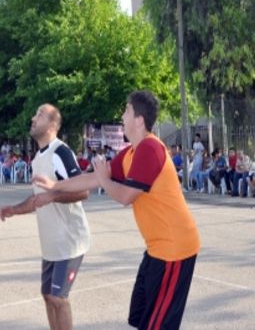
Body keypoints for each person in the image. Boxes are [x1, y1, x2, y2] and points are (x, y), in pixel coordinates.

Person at [33, 91, 200, 329]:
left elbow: (125, 196)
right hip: (157, 248)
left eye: (127, 111)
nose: (122, 116)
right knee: (140, 317)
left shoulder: (150, 149)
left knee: (158, 325)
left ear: (139, 120)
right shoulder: (131, 152)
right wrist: (55, 185)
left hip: (175, 249)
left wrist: (104, 180)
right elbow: (92, 179)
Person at [0, 104, 90, 330]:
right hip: (52, 244)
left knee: (59, 298)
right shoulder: (38, 158)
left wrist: (53, 196)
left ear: (52, 125)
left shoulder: (61, 152)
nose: (33, 118)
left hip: (69, 241)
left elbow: (83, 190)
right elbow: (36, 199)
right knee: (48, 296)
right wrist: (13, 209)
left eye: (39, 115)